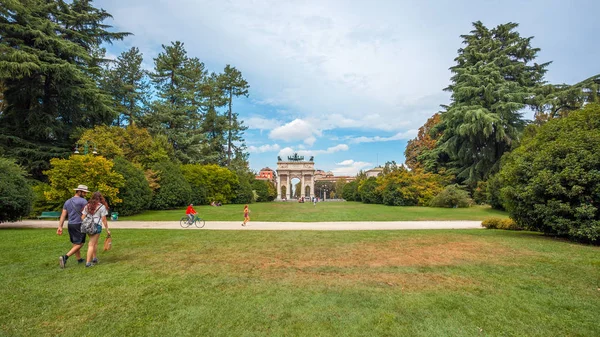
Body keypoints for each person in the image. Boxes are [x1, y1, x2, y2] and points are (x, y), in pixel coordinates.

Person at [57, 184, 89, 269]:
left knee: (75, 243)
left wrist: (60, 226)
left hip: (70, 224)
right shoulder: (83, 201)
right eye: (84, 192)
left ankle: (79, 259)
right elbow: (86, 213)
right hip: (79, 224)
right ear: (79, 191)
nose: (85, 194)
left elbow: (63, 215)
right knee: (80, 243)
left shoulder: (67, 201)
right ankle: (65, 257)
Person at [81, 192, 111, 267]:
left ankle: (94, 258)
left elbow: (82, 217)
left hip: (87, 226)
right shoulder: (101, 207)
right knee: (91, 244)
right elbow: (104, 219)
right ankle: (88, 263)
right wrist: (107, 229)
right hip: (96, 225)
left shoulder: (87, 206)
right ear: (100, 198)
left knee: (94, 242)